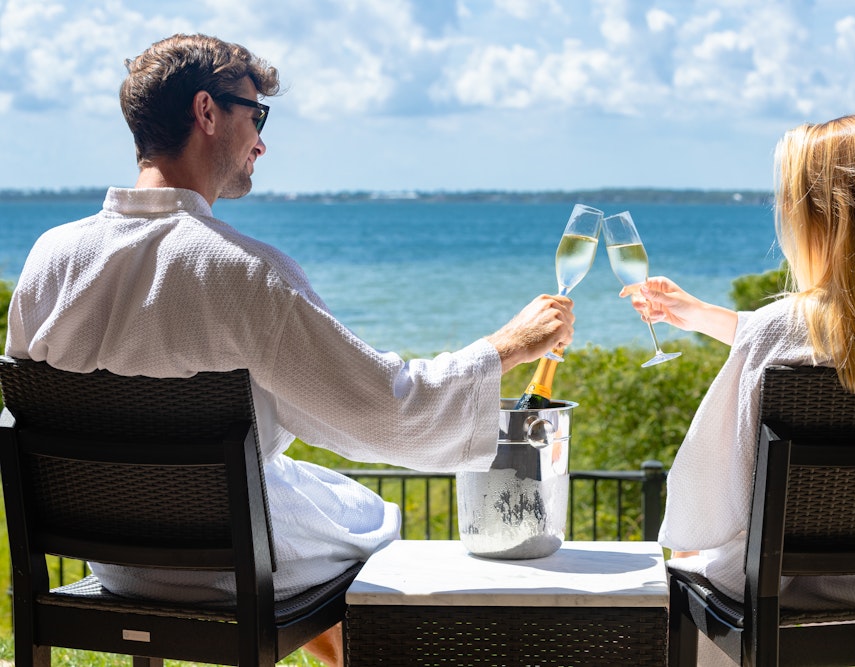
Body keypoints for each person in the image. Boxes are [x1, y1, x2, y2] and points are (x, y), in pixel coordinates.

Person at [4, 33, 574, 666]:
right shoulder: (244, 274)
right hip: (223, 561)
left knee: (318, 504)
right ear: (207, 112)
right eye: (256, 115)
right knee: (374, 523)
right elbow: (385, 412)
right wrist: (504, 348)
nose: (261, 141)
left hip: (114, 558)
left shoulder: (49, 259)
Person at [622, 113, 855, 613]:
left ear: (820, 215)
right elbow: (847, 337)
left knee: (691, 555)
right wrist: (707, 317)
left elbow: (705, 490)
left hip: (786, 580)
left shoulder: (779, 326)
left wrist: (688, 541)